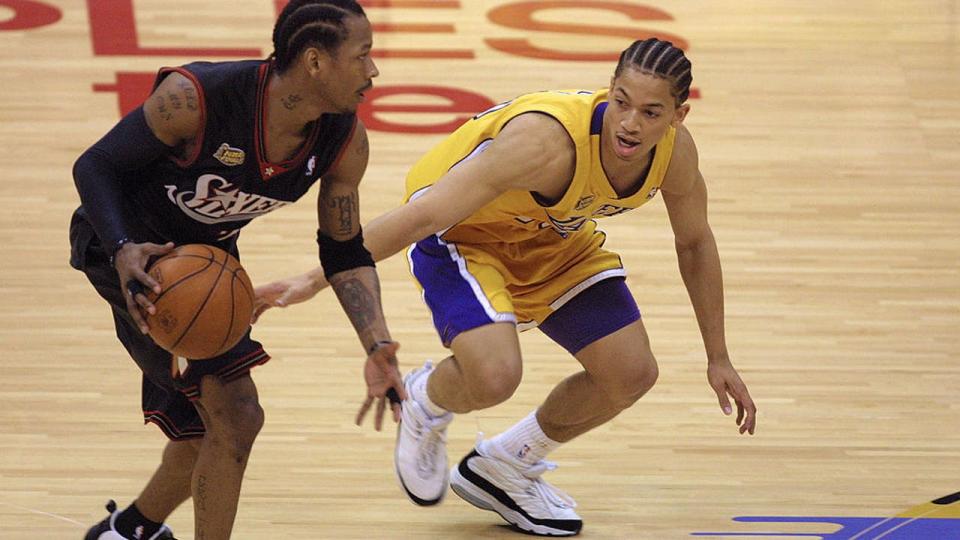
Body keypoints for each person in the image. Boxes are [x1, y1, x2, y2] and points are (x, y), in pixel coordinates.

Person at [254, 38, 758, 536]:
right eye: (621, 102)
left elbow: (694, 243)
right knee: (495, 377)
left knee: (631, 374)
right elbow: (424, 215)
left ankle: (508, 464)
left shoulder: (675, 155)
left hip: (550, 236)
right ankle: (424, 401)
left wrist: (719, 356)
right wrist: (315, 278)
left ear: (678, 116)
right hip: (461, 233)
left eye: (651, 112)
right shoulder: (543, 143)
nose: (629, 123)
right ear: (609, 90)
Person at [70, 2, 407, 539]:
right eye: (363, 56)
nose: (374, 71)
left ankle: (129, 529)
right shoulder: (198, 98)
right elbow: (96, 165)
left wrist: (377, 344)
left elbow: (343, 251)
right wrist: (122, 246)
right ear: (316, 63)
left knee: (216, 428)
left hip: (207, 261)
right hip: (136, 258)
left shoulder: (343, 140)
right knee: (231, 419)